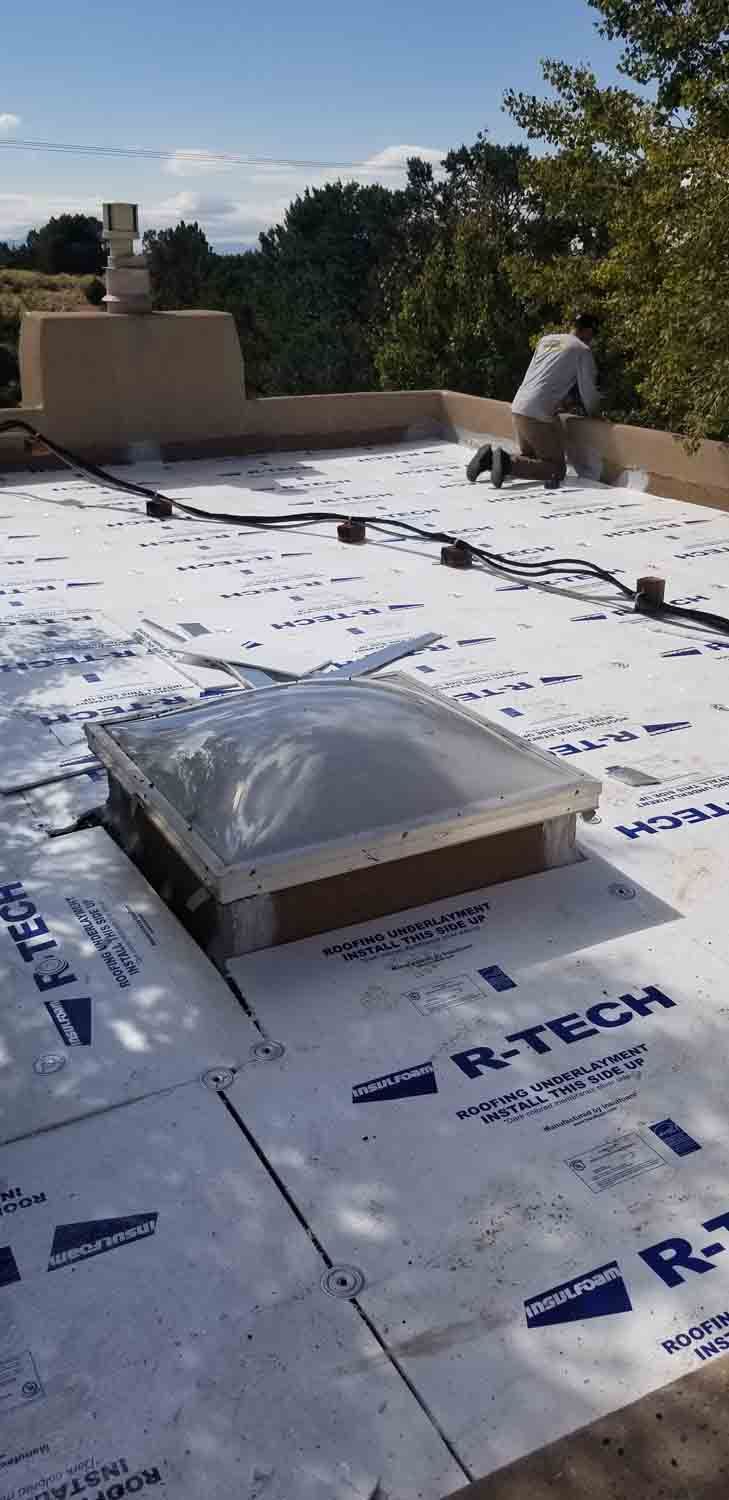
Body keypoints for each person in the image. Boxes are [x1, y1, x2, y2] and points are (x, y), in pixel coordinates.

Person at [466, 313, 602, 490]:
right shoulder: (581, 350)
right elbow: (588, 391)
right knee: (556, 469)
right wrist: (595, 414)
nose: (592, 339)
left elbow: (538, 376)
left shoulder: (547, 340)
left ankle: (490, 460)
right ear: (588, 330)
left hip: (518, 405)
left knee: (530, 458)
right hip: (538, 414)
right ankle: (506, 463)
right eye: (593, 334)